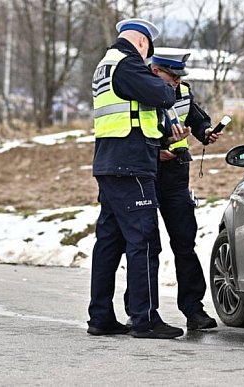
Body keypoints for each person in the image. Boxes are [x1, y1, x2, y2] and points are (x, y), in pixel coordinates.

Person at [88, 18, 188, 339]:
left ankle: (100, 316)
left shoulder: (105, 65)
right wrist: (165, 86)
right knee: (144, 241)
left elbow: (132, 111)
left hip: (110, 163)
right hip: (131, 166)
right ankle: (144, 319)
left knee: (109, 243)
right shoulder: (128, 64)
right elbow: (163, 94)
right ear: (143, 42)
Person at [126, 47, 220, 331]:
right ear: (155, 71)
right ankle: (140, 310)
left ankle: (194, 309)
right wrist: (156, 151)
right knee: (146, 245)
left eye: (180, 77)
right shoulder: (138, 88)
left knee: (184, 243)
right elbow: (132, 131)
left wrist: (206, 132)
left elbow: (196, 117)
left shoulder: (183, 91)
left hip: (176, 175)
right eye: (173, 76)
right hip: (147, 172)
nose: (178, 82)